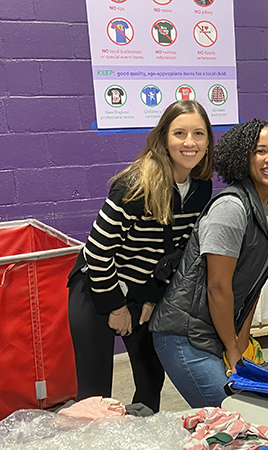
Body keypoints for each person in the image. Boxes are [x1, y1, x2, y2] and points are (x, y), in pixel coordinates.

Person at [149, 119, 268, 408]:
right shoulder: (231, 208)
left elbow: (255, 285)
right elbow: (218, 287)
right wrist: (232, 350)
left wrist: (242, 343)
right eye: (260, 151)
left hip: (217, 332)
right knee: (237, 413)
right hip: (185, 336)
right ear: (243, 157)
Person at [67, 100, 214, 412]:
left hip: (142, 290)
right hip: (97, 287)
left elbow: (176, 256)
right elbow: (97, 252)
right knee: (95, 396)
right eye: (180, 133)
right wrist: (116, 307)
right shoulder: (135, 185)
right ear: (163, 137)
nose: (190, 142)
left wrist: (150, 297)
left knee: (151, 380)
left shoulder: (201, 188)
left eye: (199, 133)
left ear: (208, 141)